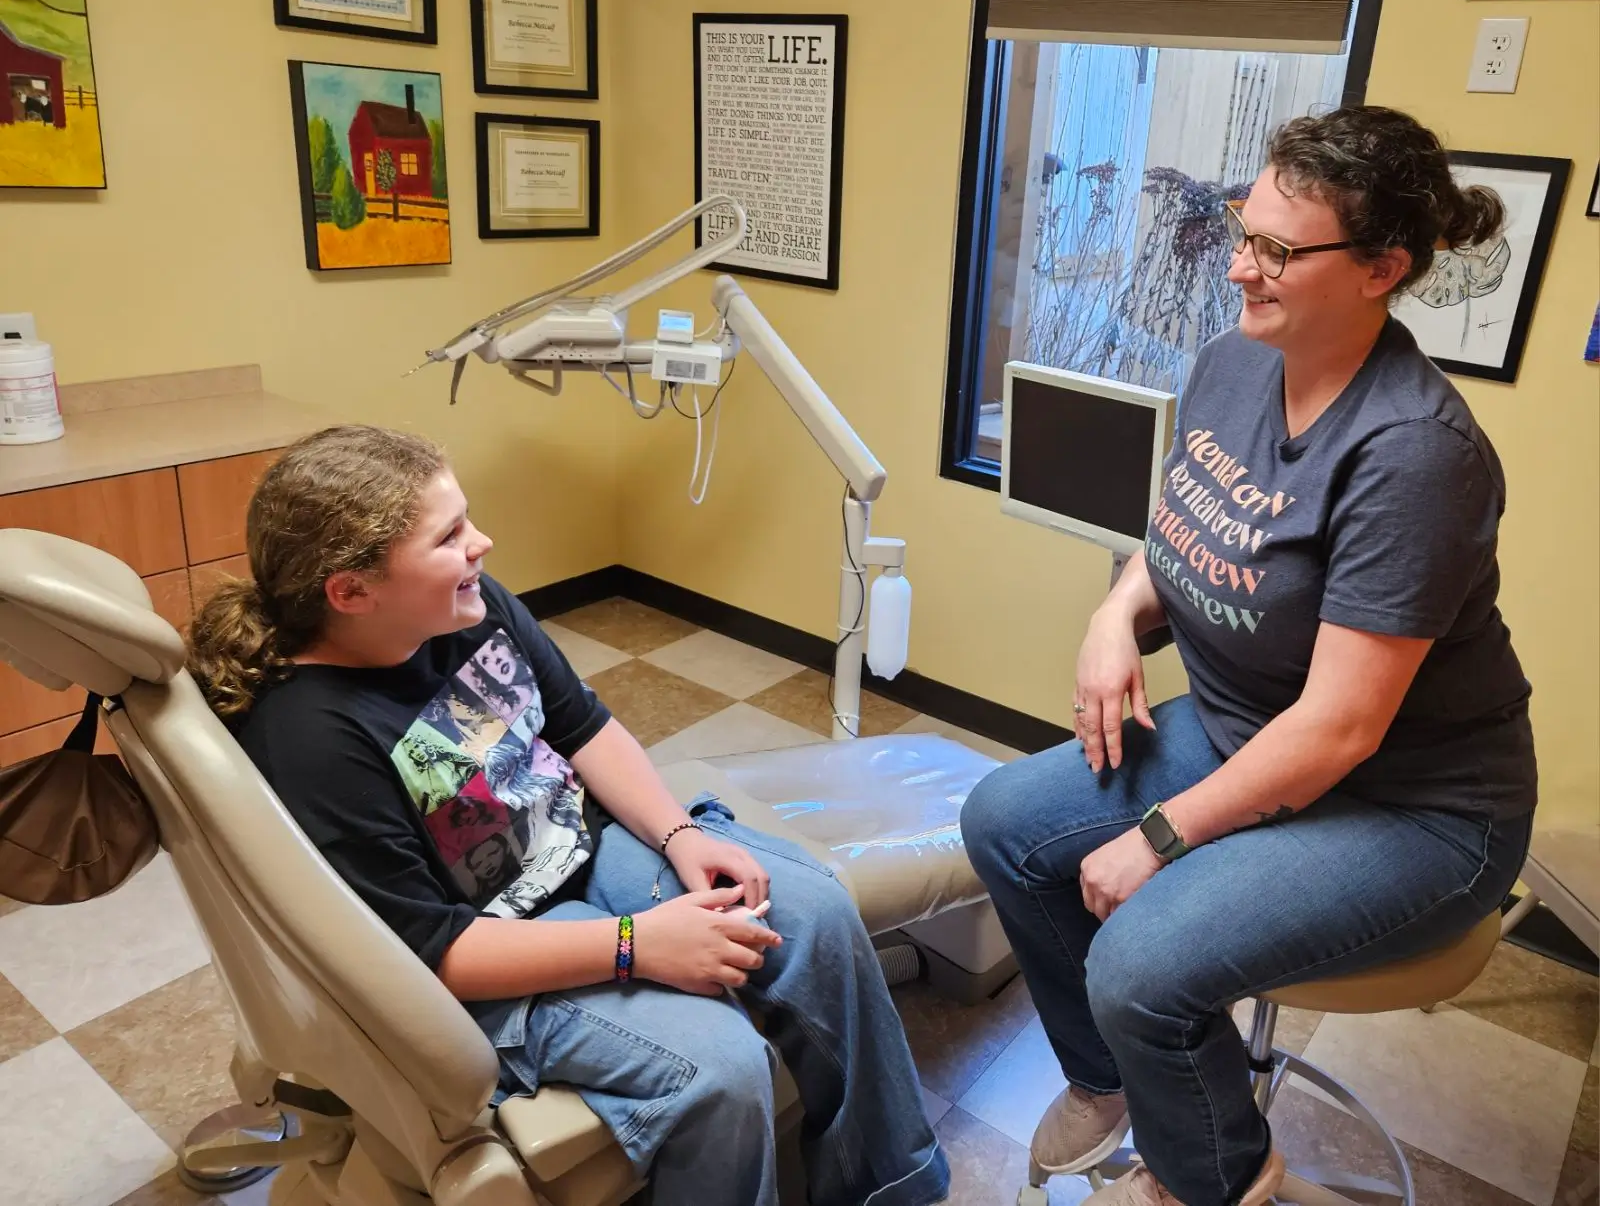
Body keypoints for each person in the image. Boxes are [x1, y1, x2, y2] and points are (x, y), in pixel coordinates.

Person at [960, 106, 1536, 1206]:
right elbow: (1183, 534)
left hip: (1411, 808)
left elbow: (1341, 729)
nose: (1238, 266)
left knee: (1139, 964)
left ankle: (1214, 1177)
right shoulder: (1233, 362)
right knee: (1003, 822)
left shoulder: (1415, 455)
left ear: (1381, 270)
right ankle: (1112, 1078)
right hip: (1248, 734)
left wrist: (1157, 838)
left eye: (1277, 249)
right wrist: (1112, 618)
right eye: (1243, 228)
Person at [188, 424, 948, 1206]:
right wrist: (636, 946)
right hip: (483, 949)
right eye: (449, 536)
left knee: (815, 915)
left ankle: (891, 1186)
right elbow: (433, 951)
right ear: (350, 592)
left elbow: (582, 728)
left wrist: (681, 834)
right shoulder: (312, 740)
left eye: (466, 519)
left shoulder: (469, 608)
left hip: (582, 847)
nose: (481, 543)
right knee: (720, 1068)